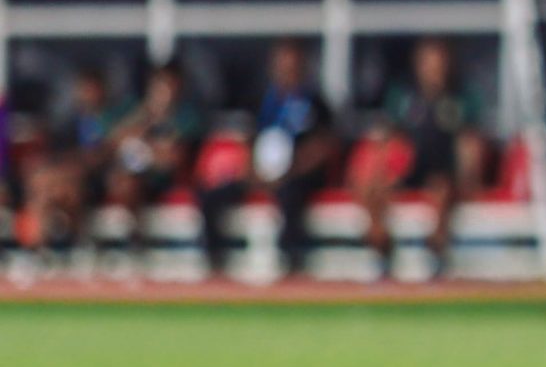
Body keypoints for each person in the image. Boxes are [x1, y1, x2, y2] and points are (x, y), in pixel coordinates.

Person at [200, 40, 338, 281]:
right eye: (282, 63)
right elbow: (250, 141)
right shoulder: (264, 101)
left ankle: (291, 265)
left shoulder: (315, 103)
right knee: (213, 196)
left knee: (290, 196)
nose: (286, 70)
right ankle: (215, 264)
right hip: (263, 175)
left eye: (292, 64)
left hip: (297, 177)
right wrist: (254, 172)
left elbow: (323, 146)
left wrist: (289, 171)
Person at [354, 38, 486, 278]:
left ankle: (435, 255)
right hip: (409, 168)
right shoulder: (404, 97)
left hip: (443, 169)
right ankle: (381, 251)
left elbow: (470, 142)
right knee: (374, 188)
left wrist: (469, 177)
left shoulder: (460, 98)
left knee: (441, 189)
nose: (434, 68)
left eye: (439, 62)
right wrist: (381, 170)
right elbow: (388, 137)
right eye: (429, 62)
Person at [97, 62, 205, 257]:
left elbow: (173, 157)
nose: (164, 93)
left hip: (167, 180)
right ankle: (118, 242)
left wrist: (149, 149)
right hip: (137, 177)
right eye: (158, 86)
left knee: (128, 181)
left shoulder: (186, 116)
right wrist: (147, 117)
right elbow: (114, 140)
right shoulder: (140, 112)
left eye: (168, 86)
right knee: (121, 180)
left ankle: (135, 242)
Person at [25, 68, 115, 255]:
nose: (89, 95)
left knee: (68, 189)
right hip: (67, 178)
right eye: (85, 89)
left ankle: (78, 245)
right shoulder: (68, 123)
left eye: (93, 89)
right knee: (48, 192)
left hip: (97, 181)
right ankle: (38, 250)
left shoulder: (112, 120)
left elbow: (105, 154)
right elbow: (59, 155)